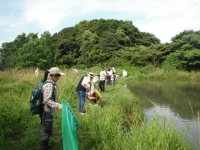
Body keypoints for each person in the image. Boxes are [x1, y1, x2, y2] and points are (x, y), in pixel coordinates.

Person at [40, 67, 64, 150]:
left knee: (47, 130)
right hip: (47, 111)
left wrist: (55, 101)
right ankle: (44, 148)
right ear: (53, 75)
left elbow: (49, 97)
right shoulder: (49, 85)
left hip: (48, 111)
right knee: (46, 131)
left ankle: (45, 146)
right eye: (58, 76)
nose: (59, 78)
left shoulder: (50, 83)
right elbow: (46, 100)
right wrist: (57, 105)